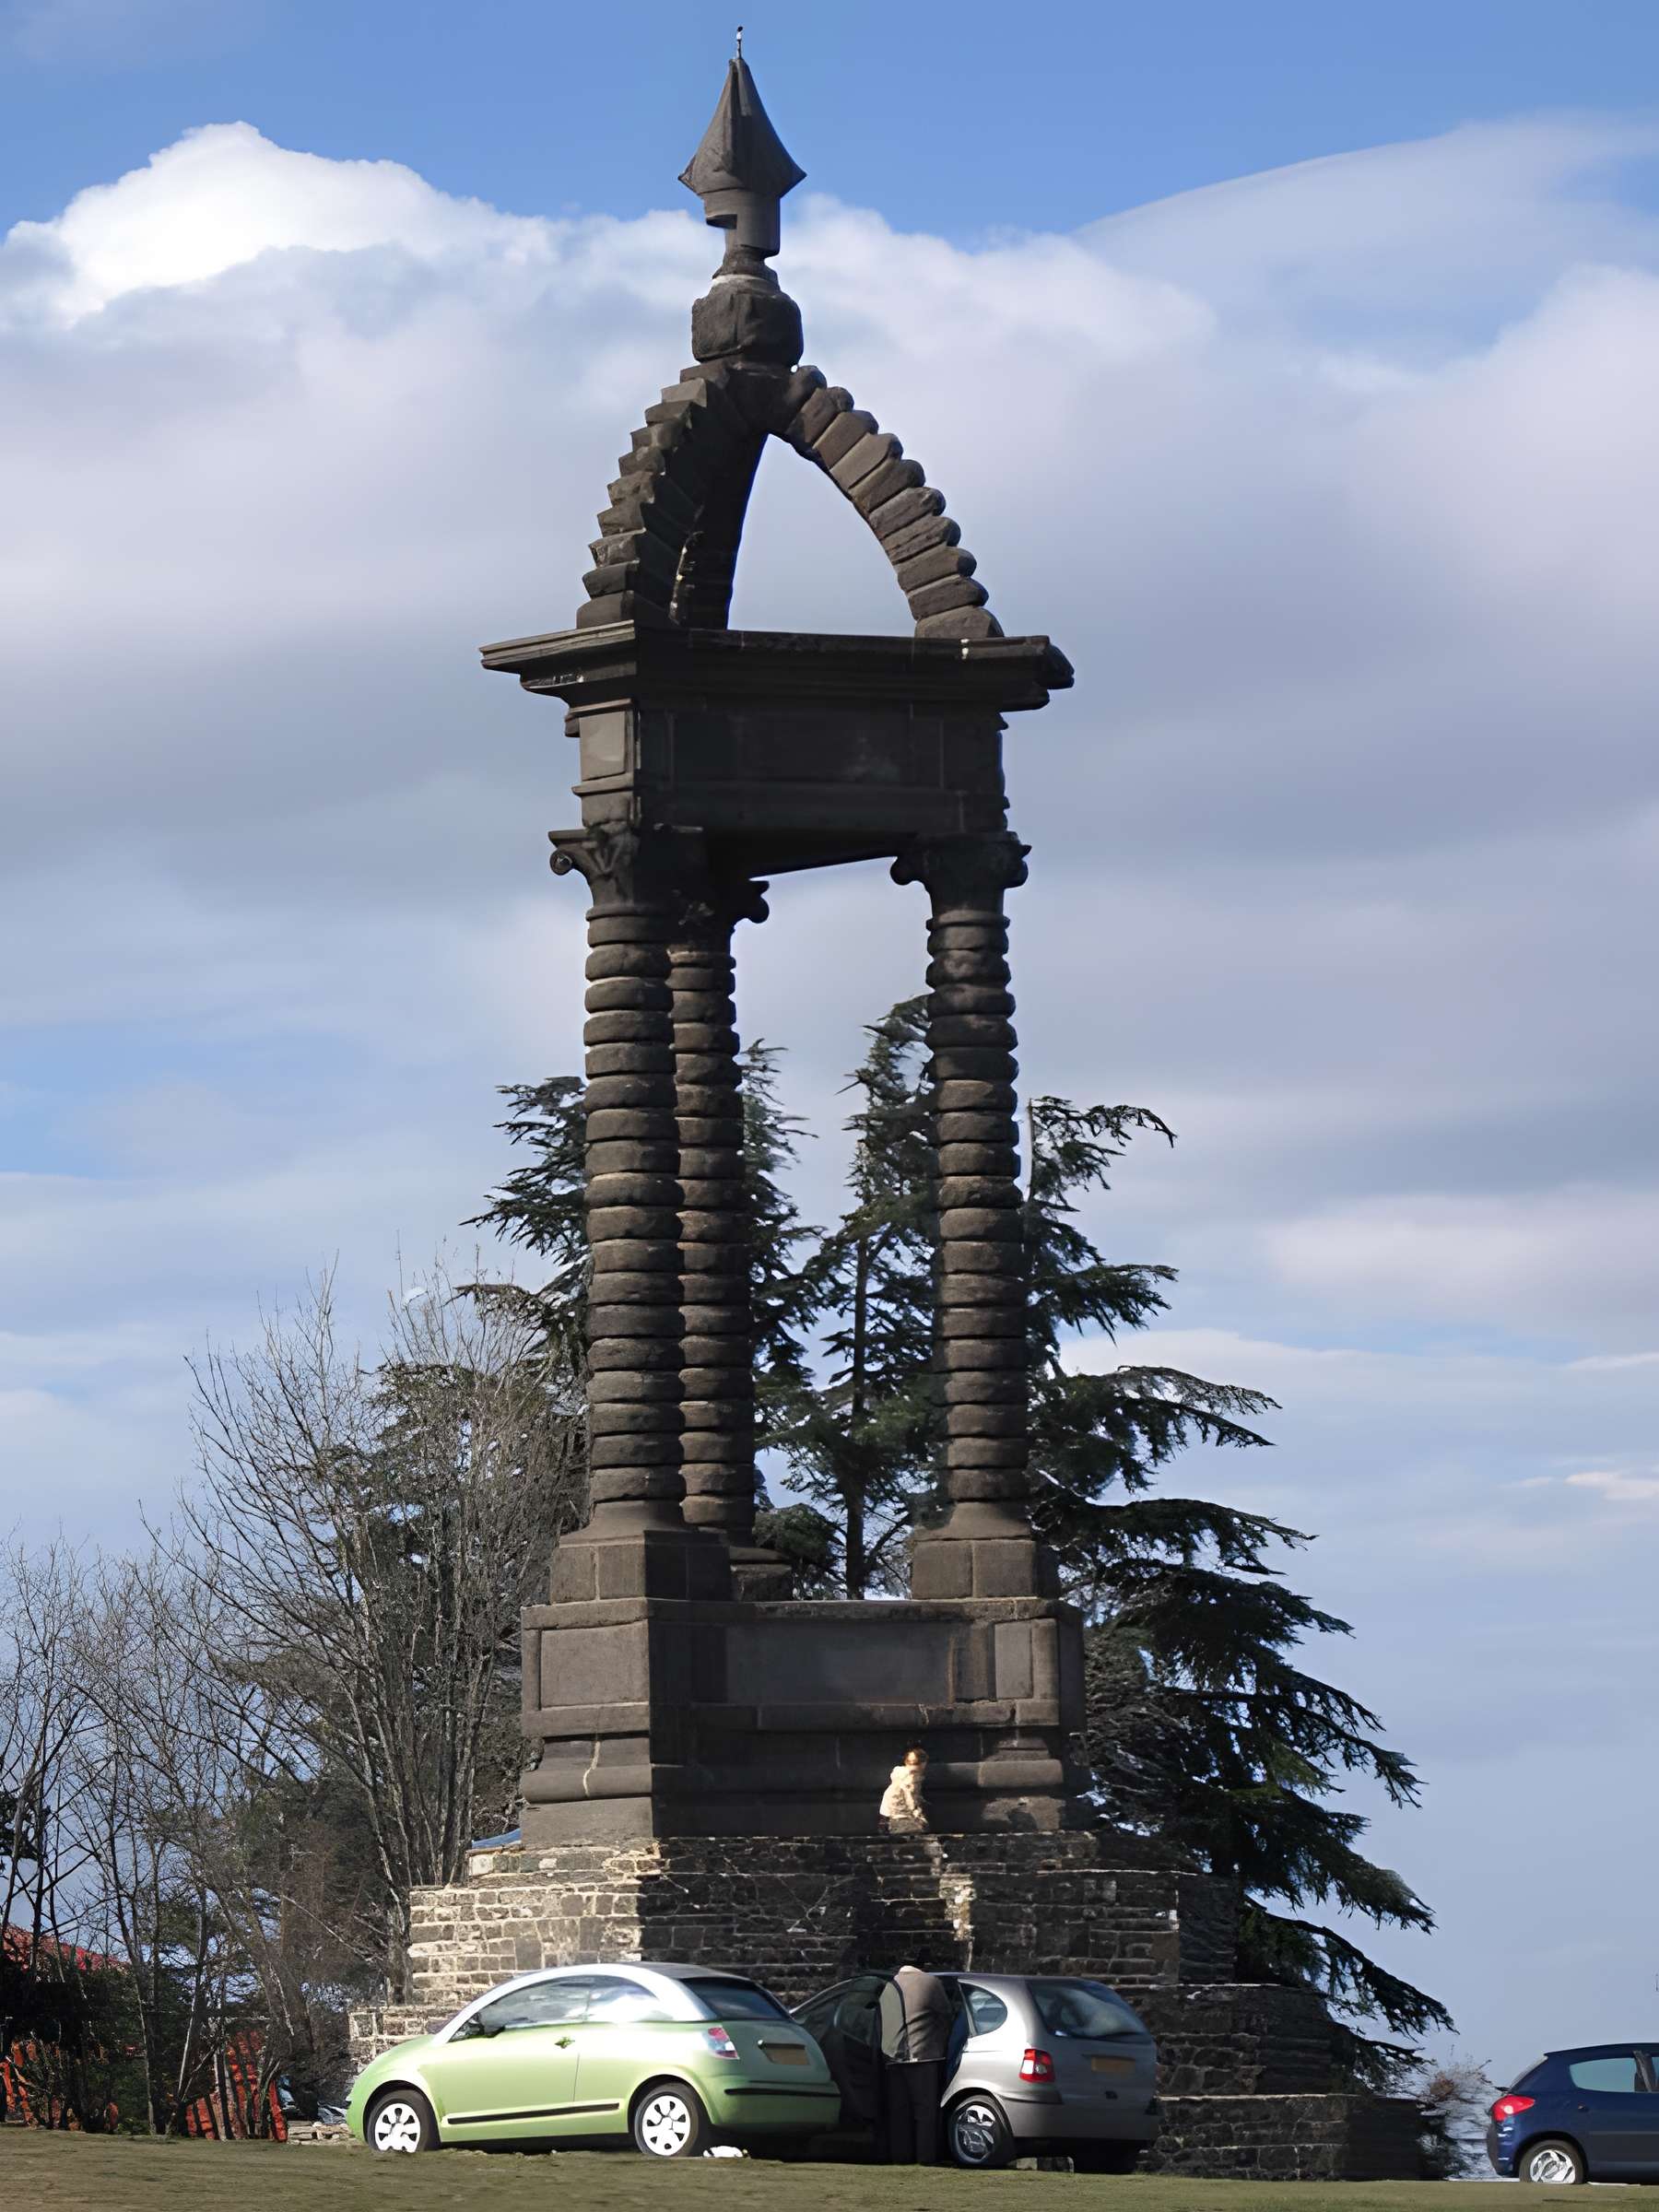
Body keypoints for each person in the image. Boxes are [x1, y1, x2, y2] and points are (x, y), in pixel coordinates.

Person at [877, 1947, 952, 2165]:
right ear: (924, 1966)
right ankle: (926, 2158)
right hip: (923, 2055)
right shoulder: (930, 1983)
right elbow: (946, 2013)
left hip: (892, 2057)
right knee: (925, 2112)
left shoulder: (889, 1987)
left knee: (899, 2113)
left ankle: (900, 2157)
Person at [878, 1744, 929, 1834]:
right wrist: (915, 1812)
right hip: (897, 1815)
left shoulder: (902, 1773)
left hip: (888, 1813)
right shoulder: (908, 1779)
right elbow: (909, 1798)